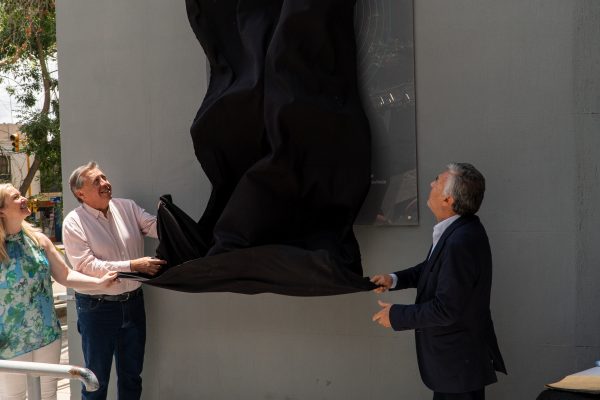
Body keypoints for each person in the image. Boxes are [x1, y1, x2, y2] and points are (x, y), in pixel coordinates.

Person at [371, 163, 507, 400]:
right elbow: (432, 269)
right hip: (456, 364)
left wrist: (396, 315)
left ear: (448, 199)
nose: (431, 184)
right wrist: (393, 279)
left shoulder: (459, 241)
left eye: (438, 181)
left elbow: (446, 309)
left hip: (457, 364)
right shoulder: (461, 229)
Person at [0, 183, 118, 400]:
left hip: (47, 336)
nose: (23, 198)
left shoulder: (39, 240)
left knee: (48, 395)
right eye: (15, 197)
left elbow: (65, 275)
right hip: (9, 342)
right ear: (2, 211)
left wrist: (100, 283)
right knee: (13, 397)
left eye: (21, 194)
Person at [62, 161, 166, 400]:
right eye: (96, 181)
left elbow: (156, 227)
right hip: (98, 308)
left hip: (133, 302)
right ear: (80, 193)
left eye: (104, 177)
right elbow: (87, 267)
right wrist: (132, 265)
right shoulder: (74, 222)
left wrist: (175, 223)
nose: (105, 183)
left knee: (132, 376)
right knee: (95, 381)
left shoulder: (127, 207)